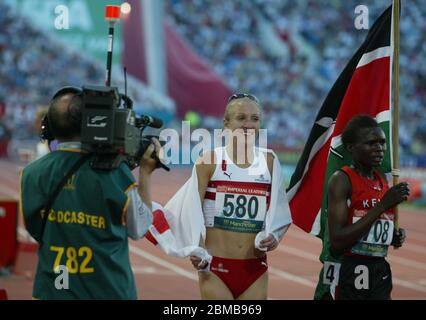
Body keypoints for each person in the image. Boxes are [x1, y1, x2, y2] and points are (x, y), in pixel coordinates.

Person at [19, 87, 161, 299]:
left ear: (48, 127)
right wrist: (146, 174)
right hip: (107, 290)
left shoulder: (31, 173)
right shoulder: (115, 174)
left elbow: (35, 229)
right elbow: (139, 227)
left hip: (54, 289)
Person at [188, 93, 292, 299]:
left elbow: (279, 210)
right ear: (226, 124)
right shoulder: (209, 161)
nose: (248, 125)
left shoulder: (270, 161)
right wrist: (196, 246)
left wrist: (274, 236)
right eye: (241, 118)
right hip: (216, 266)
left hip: (255, 268)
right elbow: (192, 208)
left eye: (255, 119)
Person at [327, 115, 410, 300]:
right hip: (352, 269)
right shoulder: (341, 180)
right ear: (351, 148)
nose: (379, 148)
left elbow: (373, 229)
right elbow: (338, 241)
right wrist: (382, 206)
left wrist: (392, 236)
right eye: (371, 143)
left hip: (379, 269)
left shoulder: (382, 181)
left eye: (382, 142)